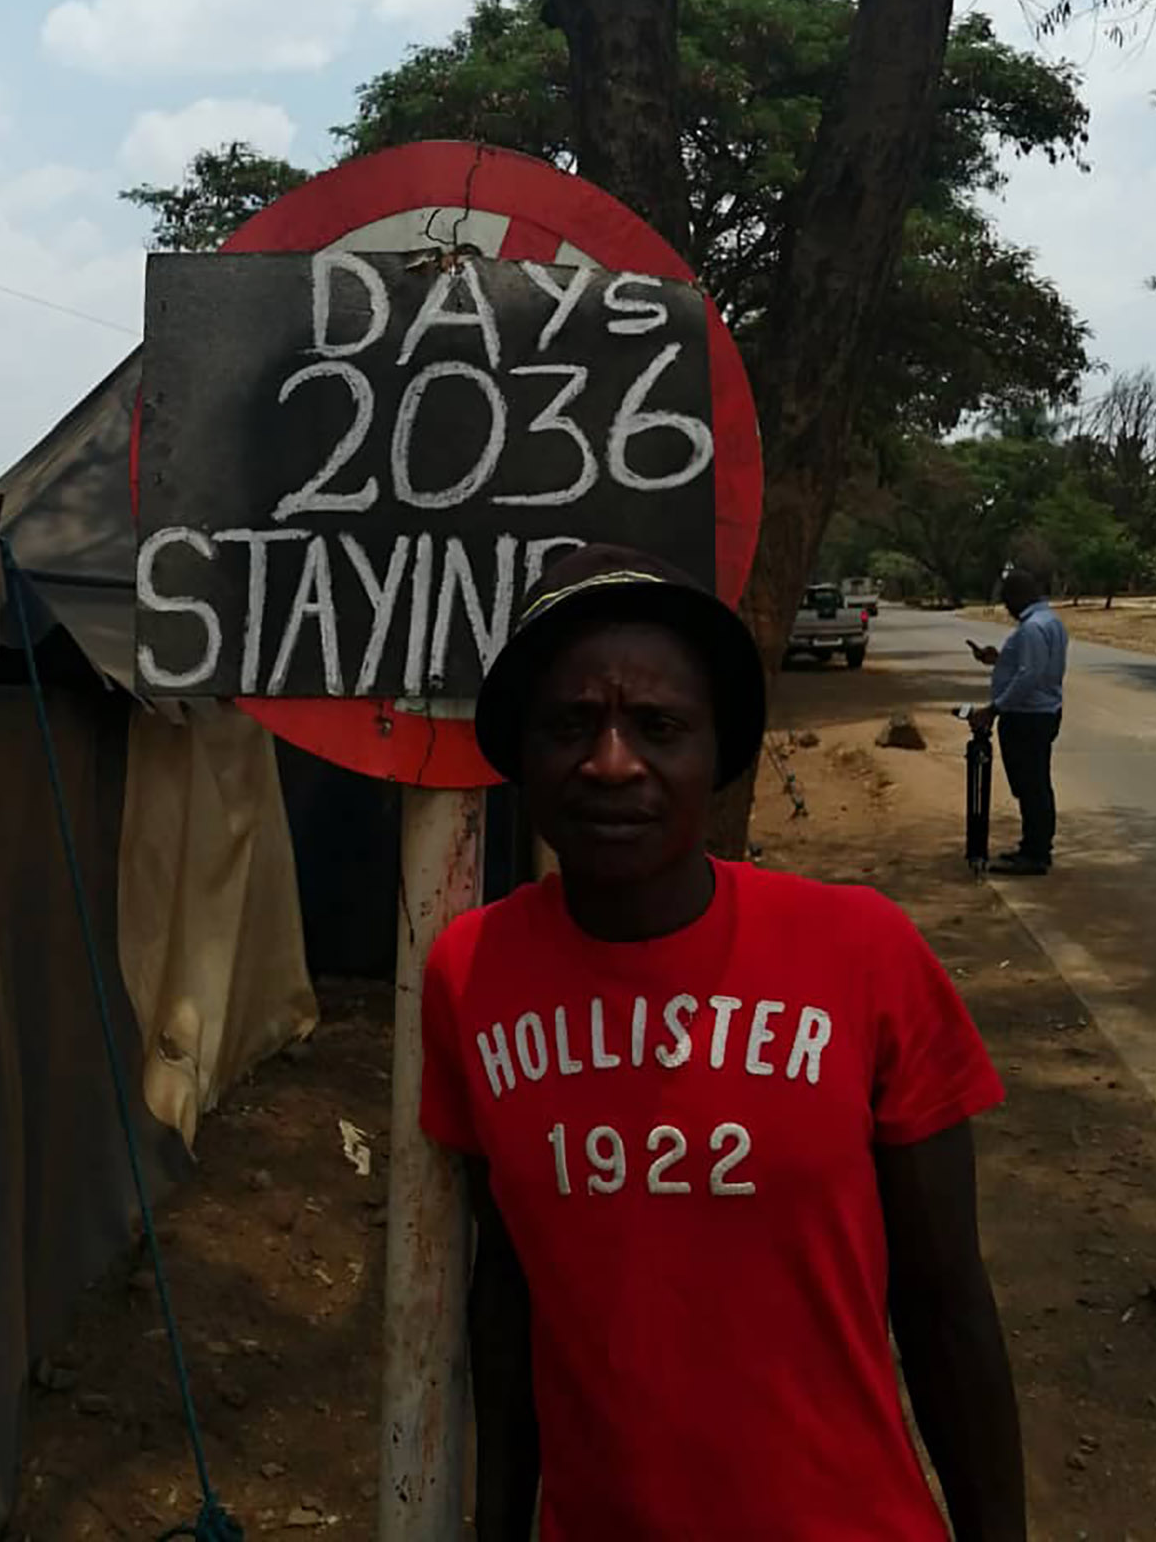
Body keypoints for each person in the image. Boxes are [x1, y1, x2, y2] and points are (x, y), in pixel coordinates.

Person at [421, 542, 1026, 1542]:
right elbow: (513, 1288)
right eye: (570, 724)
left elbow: (948, 1305)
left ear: (716, 753)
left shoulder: (863, 953)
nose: (610, 762)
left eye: (658, 727)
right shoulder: (468, 975)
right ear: (522, 756)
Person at [966, 569, 1069, 877]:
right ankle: (1032, 846)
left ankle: (1036, 854)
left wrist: (993, 709)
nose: (1007, 609)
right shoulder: (1050, 622)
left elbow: (1030, 676)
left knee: (1031, 785)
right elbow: (1031, 665)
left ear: (1017, 597)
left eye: (1007, 601)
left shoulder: (1032, 629)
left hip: (1028, 717)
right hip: (1042, 714)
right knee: (1034, 783)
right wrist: (997, 659)